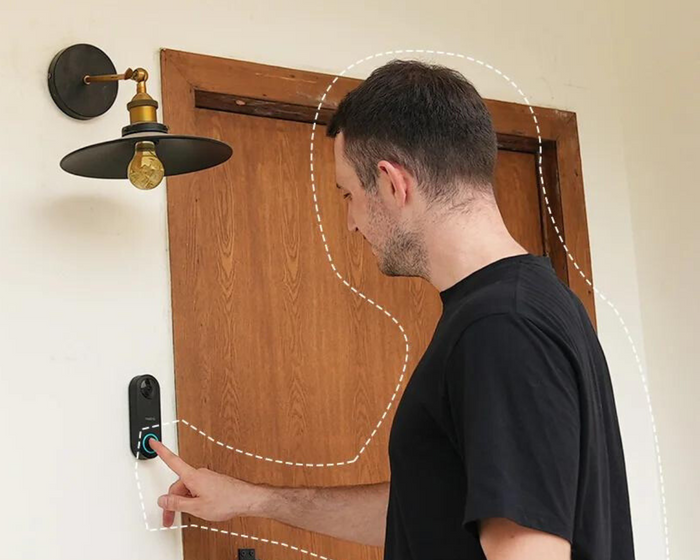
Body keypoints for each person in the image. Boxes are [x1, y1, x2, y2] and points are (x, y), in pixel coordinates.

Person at [151, 60, 636, 560]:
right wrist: (256, 499)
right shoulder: (527, 306)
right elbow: (428, 511)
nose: (350, 223)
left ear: (390, 183)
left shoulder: (501, 329)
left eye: (348, 195)